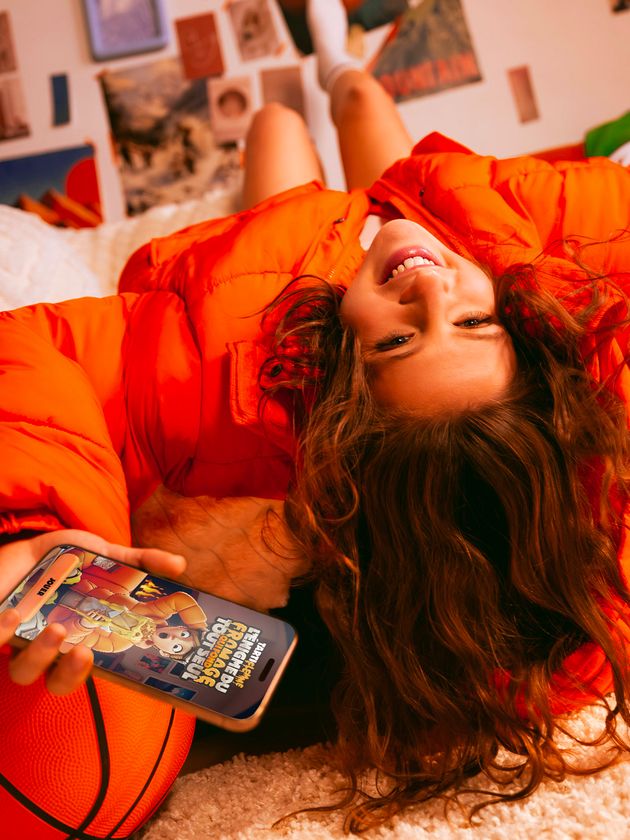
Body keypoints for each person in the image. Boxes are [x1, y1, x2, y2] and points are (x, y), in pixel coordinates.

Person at [0, 0, 628, 834]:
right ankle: (338, 58)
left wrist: (34, 531)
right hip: (435, 216)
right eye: (476, 324)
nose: (431, 291)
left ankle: (314, 90)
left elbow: (35, 358)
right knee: (361, 100)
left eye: (399, 342)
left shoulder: (240, 359)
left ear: (344, 389)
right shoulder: (531, 276)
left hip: (283, 258)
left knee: (273, 123)